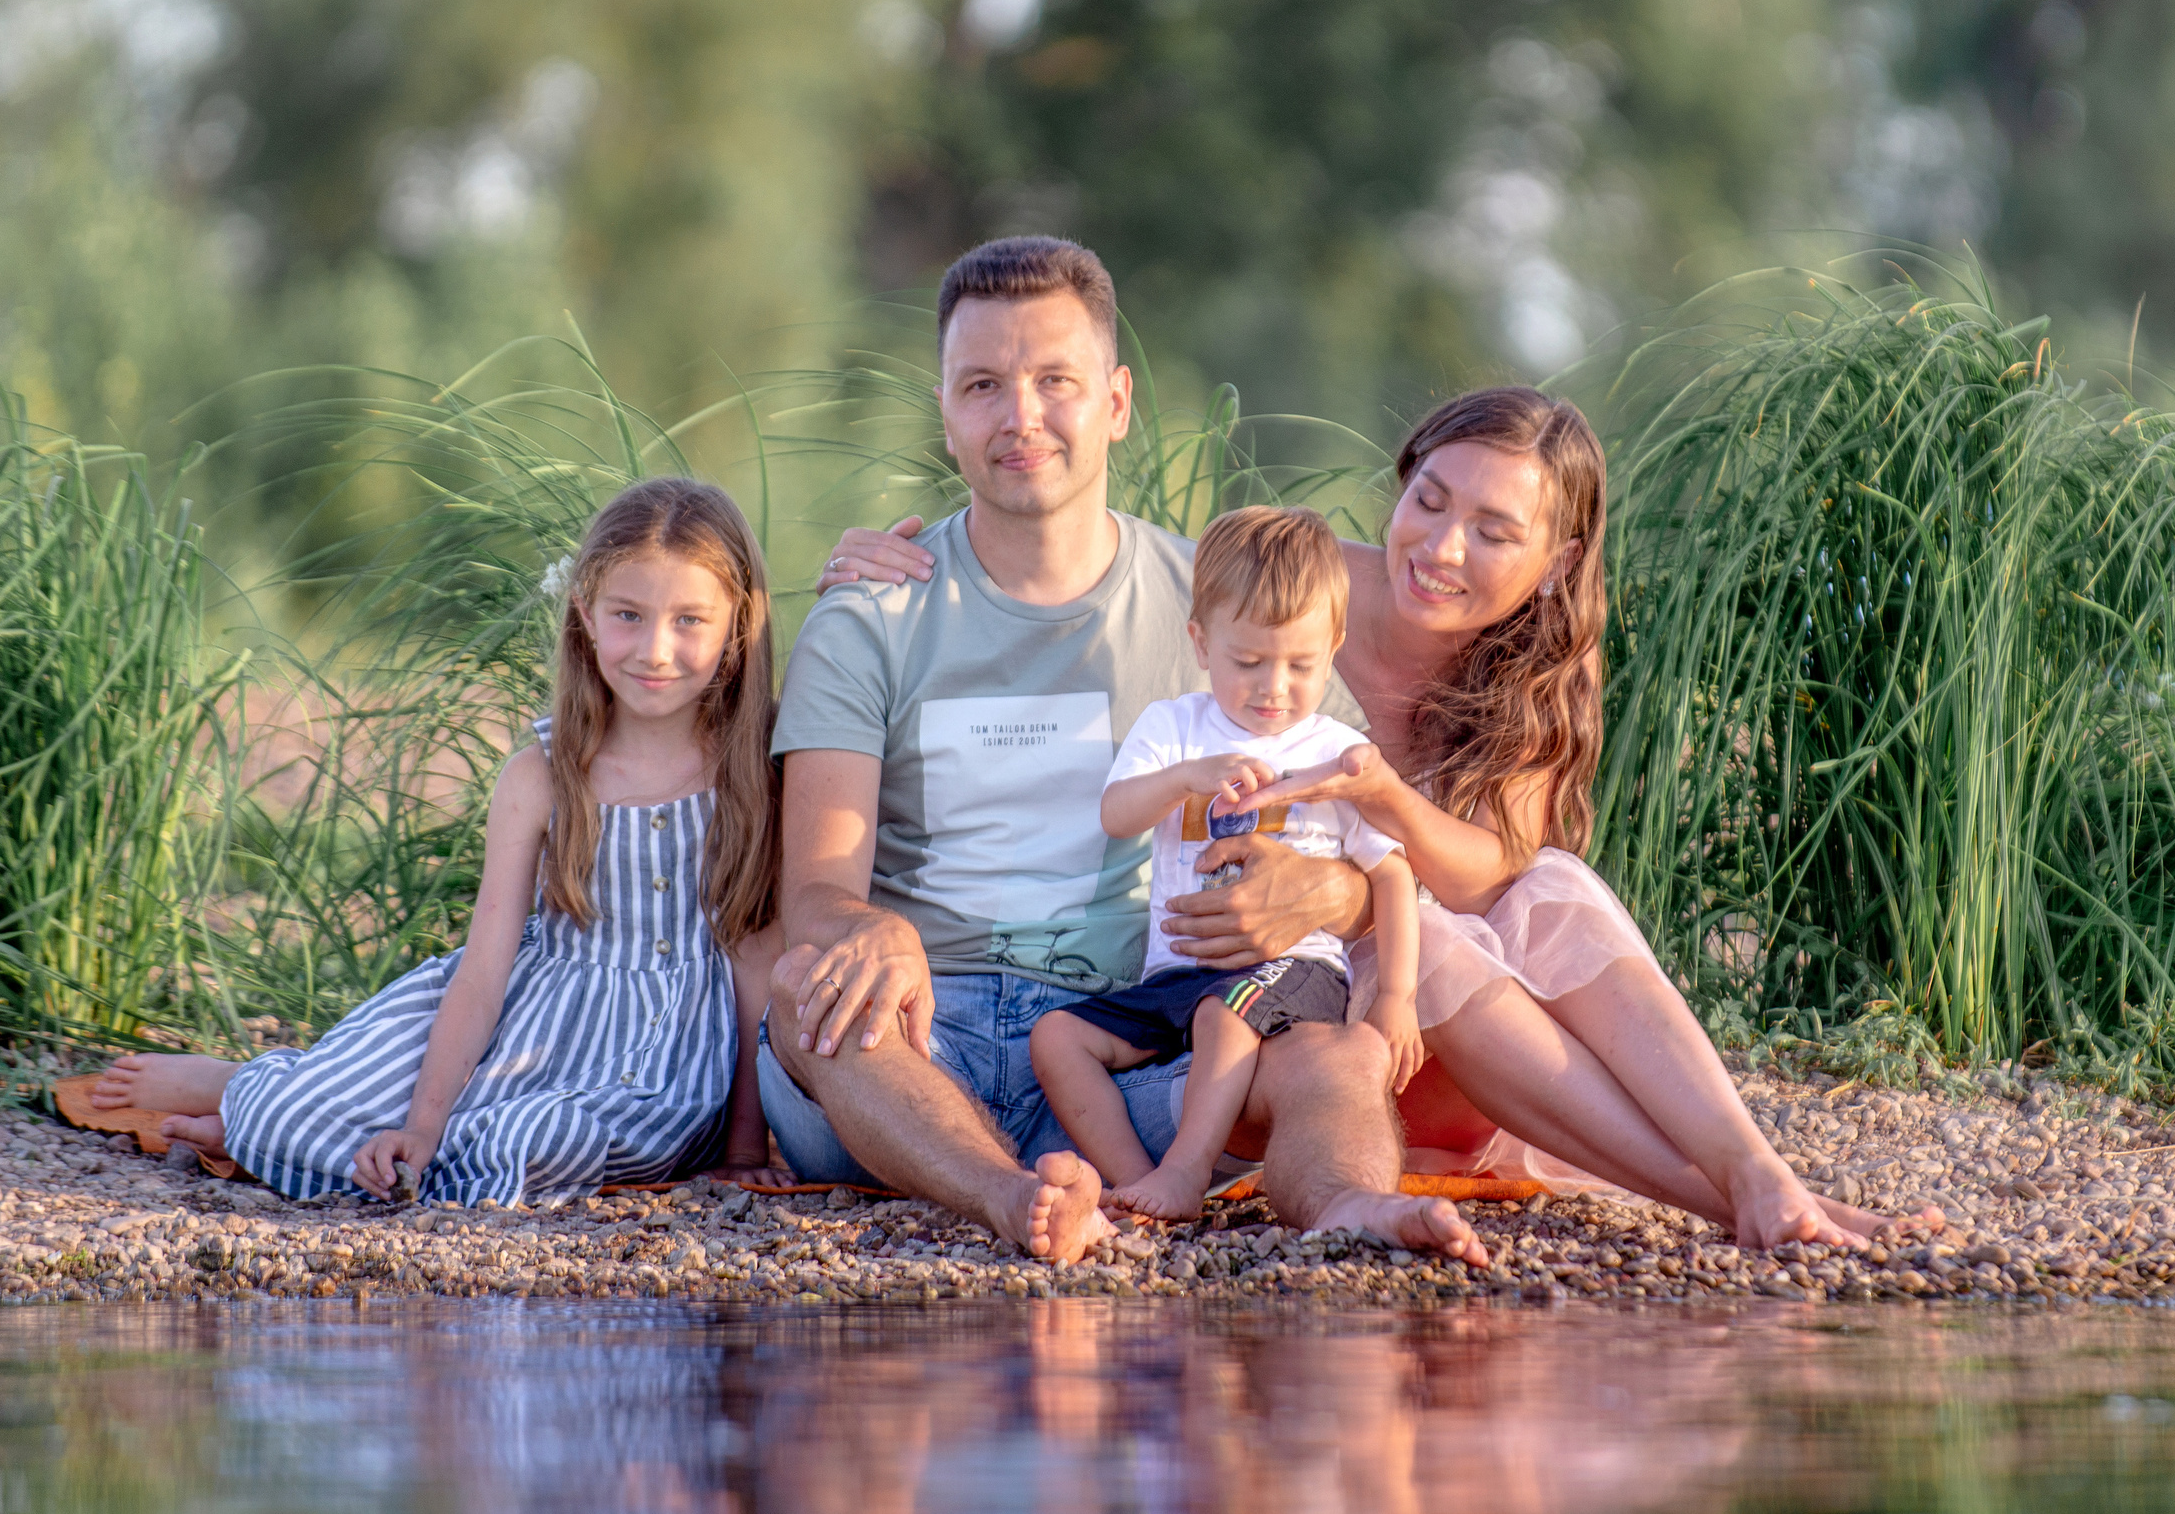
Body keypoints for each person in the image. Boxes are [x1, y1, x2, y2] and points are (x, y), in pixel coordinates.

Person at [819, 387, 1929, 1248]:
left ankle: (1752, 1167)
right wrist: (885, 570)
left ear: (1559, 563)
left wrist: (1371, 823)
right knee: (1425, 929)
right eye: (1429, 500)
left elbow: (1487, 876)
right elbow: (1091, 573)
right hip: (1290, 1011)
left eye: (1495, 530)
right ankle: (1723, 1192)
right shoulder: (1292, 594)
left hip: (1423, 1019)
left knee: (1550, 885)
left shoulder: (1535, 674)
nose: (1441, 548)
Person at [763, 234, 1487, 1266]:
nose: (1020, 417)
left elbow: (1365, 844)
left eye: (1054, 380)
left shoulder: (1217, 610)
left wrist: (1319, 895)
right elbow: (817, 893)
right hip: (919, 1046)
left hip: (1138, 1043)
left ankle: (1349, 1205)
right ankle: (1015, 1200)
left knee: (1333, 1050)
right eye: (982, 385)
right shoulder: (869, 616)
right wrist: (866, 927)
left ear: (1114, 400)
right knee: (806, 990)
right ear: (945, 410)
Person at [89, 477, 792, 1204]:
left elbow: (753, 961)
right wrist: (422, 1128)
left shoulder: (751, 772)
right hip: (528, 1018)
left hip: (656, 1065)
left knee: (525, 1141)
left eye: (689, 620)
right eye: (627, 614)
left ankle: (255, 1105)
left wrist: (743, 1147)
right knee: (303, 1118)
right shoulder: (543, 775)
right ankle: (257, 1093)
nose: (654, 648)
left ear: (738, 624)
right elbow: (486, 970)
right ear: (583, 615)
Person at [1030, 504, 1423, 1221]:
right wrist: (1186, 778)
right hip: (1175, 974)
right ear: (1201, 641)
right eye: (1249, 662)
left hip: (1292, 971)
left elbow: (1392, 873)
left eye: (1301, 664)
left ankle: (1186, 1171)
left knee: (1225, 1010)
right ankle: (1136, 1183)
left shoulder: (1332, 751)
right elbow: (1117, 813)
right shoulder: (1176, 728)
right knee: (1056, 1036)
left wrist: (1396, 995)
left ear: (1334, 644)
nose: (1274, 687)